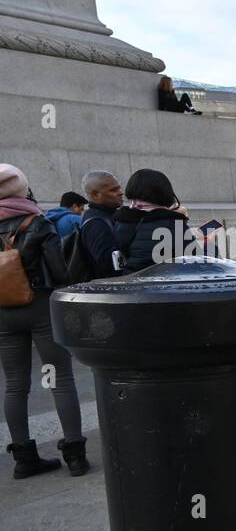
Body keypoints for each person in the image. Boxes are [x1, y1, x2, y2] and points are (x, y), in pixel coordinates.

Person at [0, 164, 88, 478]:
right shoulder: (38, 222)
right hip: (39, 307)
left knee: (15, 385)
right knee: (60, 379)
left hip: (3, 313)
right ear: (21, 189)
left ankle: (24, 458)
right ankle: (75, 455)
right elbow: (60, 273)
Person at [113, 169, 192, 273]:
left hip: (127, 282)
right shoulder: (171, 224)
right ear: (165, 192)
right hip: (161, 285)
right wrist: (206, 240)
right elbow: (199, 261)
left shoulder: (121, 221)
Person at [78, 171, 123, 277]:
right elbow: (108, 264)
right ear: (95, 195)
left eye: (119, 188)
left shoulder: (109, 216)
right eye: (113, 190)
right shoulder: (96, 223)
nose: (121, 192)